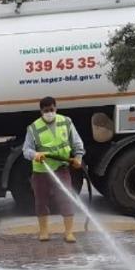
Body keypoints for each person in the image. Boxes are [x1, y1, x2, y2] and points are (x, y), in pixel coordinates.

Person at [23, 96, 86, 243]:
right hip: (41, 171)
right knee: (41, 201)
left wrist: (78, 158)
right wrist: (35, 154)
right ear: (41, 111)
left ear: (56, 108)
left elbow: (77, 143)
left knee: (66, 198)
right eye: (46, 111)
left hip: (61, 168)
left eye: (51, 109)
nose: (49, 113)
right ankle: (44, 232)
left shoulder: (66, 122)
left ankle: (69, 233)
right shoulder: (33, 128)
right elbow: (26, 150)